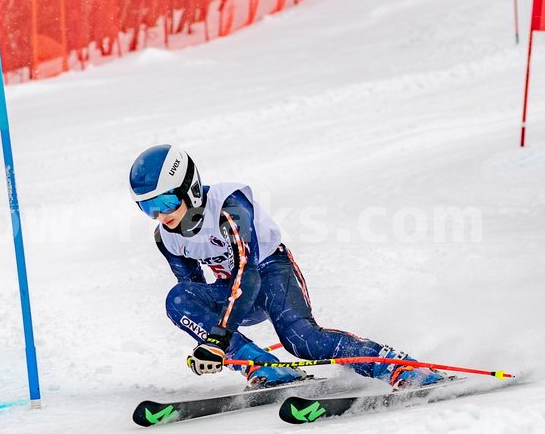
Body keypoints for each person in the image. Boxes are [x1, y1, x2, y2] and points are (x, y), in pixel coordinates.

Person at [128, 144, 444, 389]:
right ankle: (259, 365)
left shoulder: (229, 208)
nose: (161, 214)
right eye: (147, 207)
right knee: (178, 298)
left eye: (166, 202)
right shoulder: (165, 238)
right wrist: (213, 347)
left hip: (270, 276)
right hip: (234, 293)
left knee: (302, 341)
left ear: (189, 188)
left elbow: (247, 274)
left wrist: (218, 340)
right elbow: (196, 296)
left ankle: (398, 366)